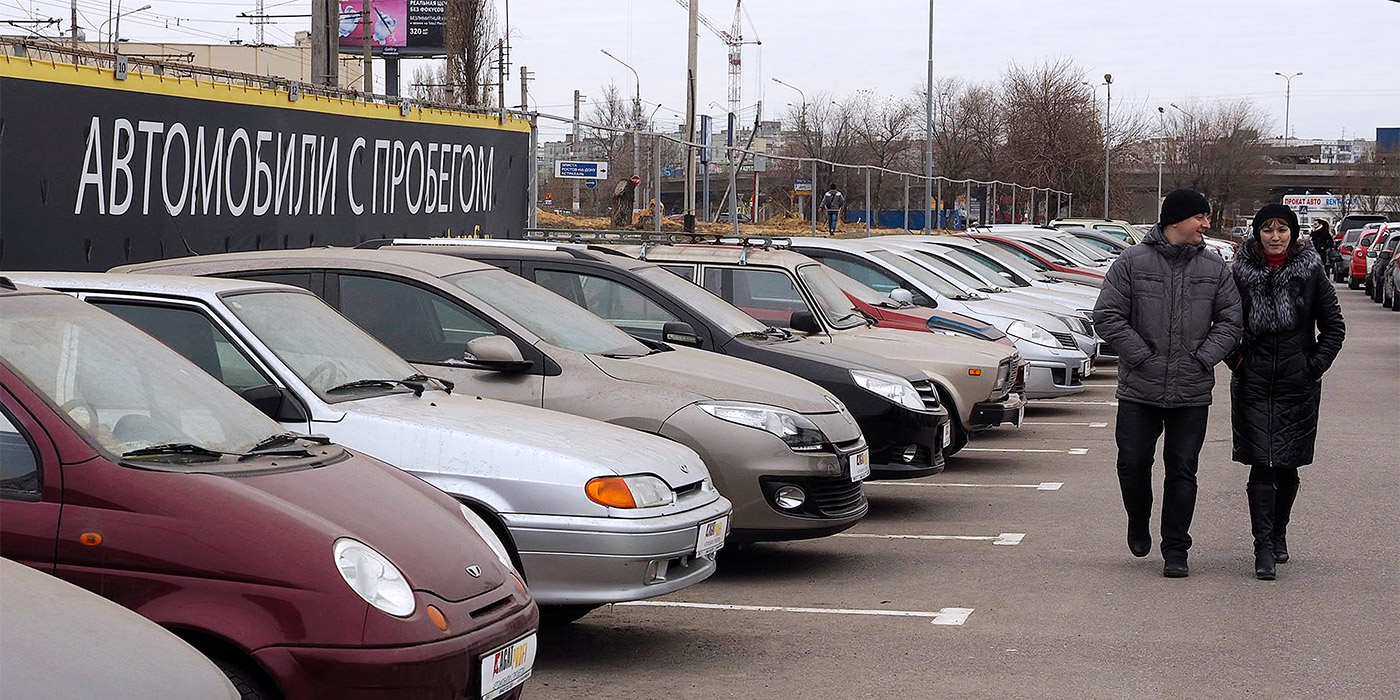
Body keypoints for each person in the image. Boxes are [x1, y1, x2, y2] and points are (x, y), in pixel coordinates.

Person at [1093, 188, 1243, 578]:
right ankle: (1138, 519)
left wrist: (1203, 357)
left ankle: (1176, 547)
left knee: (1182, 470)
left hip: (1191, 390)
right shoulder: (1132, 261)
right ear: (1176, 220)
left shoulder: (1213, 268)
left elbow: (1230, 322)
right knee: (1133, 464)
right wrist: (1141, 355)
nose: (1207, 225)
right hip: (1139, 389)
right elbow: (1107, 315)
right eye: (1201, 217)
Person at [1227, 204, 1345, 580]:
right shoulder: (1240, 273)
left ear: (1293, 234)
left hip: (1298, 384)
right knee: (1262, 463)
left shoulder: (1311, 271)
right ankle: (1261, 546)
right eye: (1267, 230)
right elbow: (1225, 324)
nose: (1275, 237)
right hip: (1254, 381)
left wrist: (1311, 367)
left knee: (1288, 464)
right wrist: (1239, 362)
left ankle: (1278, 533)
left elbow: (1334, 328)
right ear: (1257, 233)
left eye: (1282, 230)